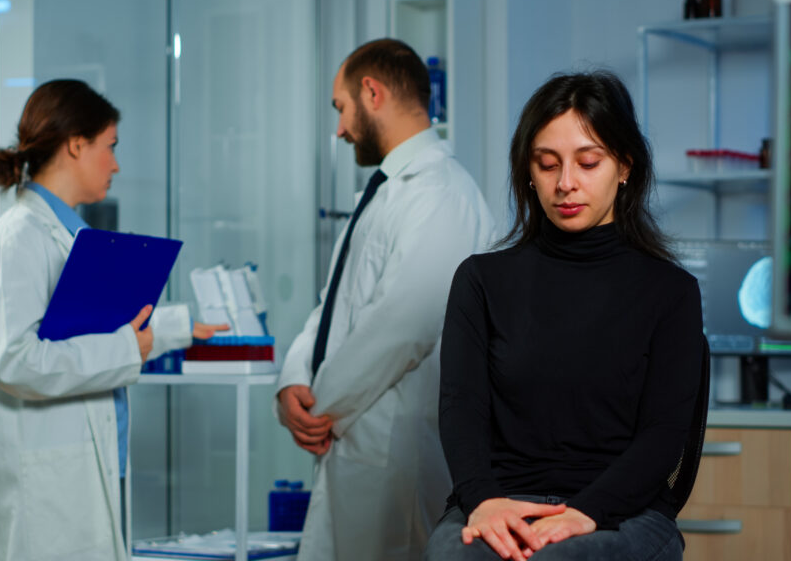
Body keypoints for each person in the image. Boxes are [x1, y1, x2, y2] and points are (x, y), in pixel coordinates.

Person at [426, 71, 705, 561]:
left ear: (624, 166)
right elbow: (460, 409)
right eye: (547, 165)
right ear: (528, 174)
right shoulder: (480, 281)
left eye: (588, 162)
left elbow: (663, 435)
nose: (566, 183)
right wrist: (485, 502)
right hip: (502, 503)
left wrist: (586, 511)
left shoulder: (671, 292)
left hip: (622, 512)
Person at [0, 79, 227, 561]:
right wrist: (130, 348)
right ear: (75, 144)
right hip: (42, 490)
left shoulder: (73, 238)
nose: (116, 163)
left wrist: (175, 328)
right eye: (110, 147)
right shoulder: (16, 240)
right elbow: (15, 361)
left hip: (83, 472)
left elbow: (93, 330)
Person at [275, 38, 495, 561]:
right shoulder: (385, 191)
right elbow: (332, 306)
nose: (340, 129)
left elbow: (405, 325)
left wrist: (320, 407)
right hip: (354, 437)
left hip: (395, 447)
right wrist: (292, 383)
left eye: (341, 108)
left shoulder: (442, 191)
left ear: (371, 92)